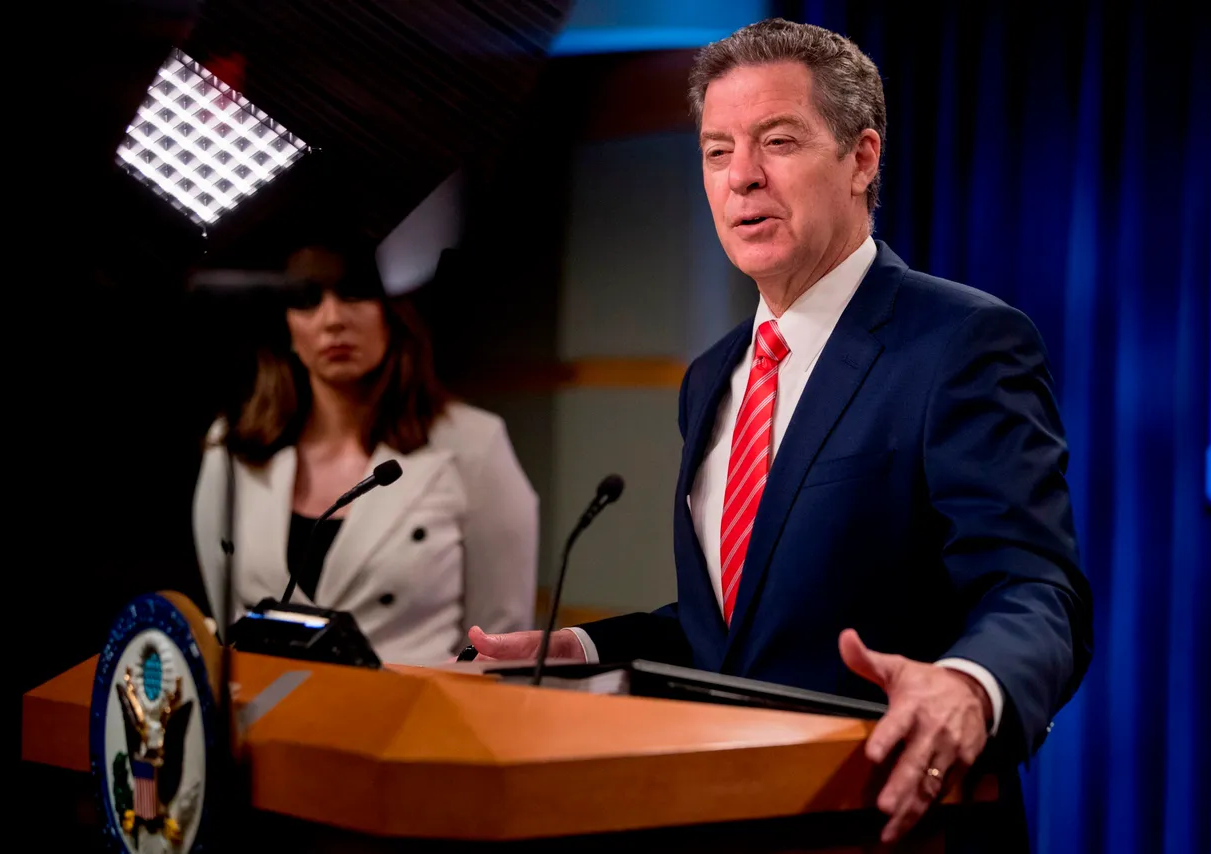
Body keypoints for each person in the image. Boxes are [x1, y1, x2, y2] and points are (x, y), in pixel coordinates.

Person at [464, 18, 1092, 850]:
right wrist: (578, 649)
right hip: (723, 810)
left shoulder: (962, 342)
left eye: (778, 141)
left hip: (892, 822)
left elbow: (1035, 586)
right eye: (717, 152)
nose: (742, 179)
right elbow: (733, 629)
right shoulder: (712, 376)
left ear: (862, 158)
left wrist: (970, 688)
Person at [193, 237, 538, 664]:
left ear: (394, 310)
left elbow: (498, 644)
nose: (332, 319)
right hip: (270, 717)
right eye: (307, 298)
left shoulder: (474, 443)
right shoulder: (232, 446)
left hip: (417, 719)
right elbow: (227, 627)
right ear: (285, 324)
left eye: (354, 292)